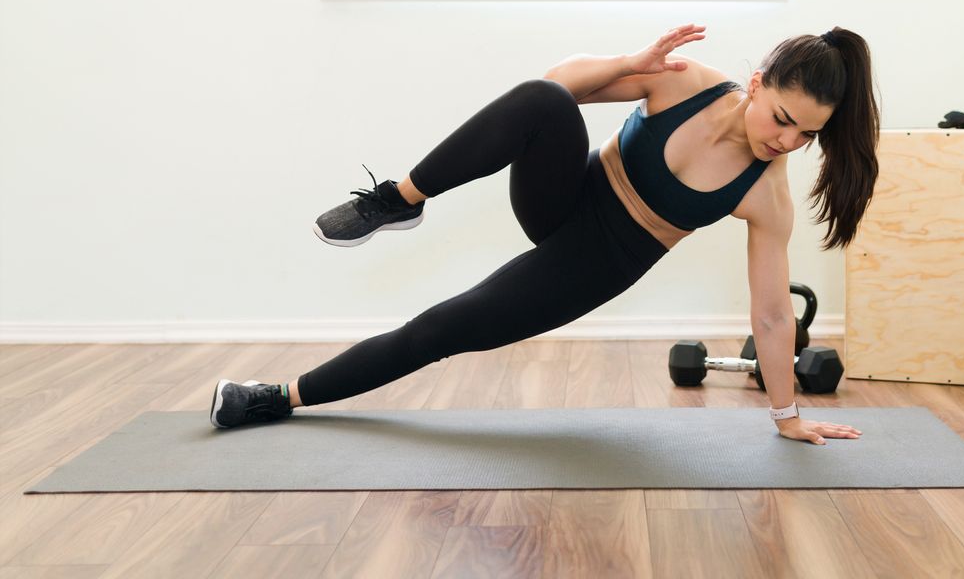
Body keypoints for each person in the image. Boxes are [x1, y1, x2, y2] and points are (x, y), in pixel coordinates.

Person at [210, 24, 879, 445]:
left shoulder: (767, 194)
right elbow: (557, 85)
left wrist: (787, 418)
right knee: (543, 101)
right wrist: (629, 61)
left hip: (596, 263)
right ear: (757, 84)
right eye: (783, 119)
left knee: (443, 327)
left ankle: (276, 398)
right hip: (564, 197)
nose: (786, 140)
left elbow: (768, 311)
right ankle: (398, 199)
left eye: (806, 135)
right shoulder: (686, 85)